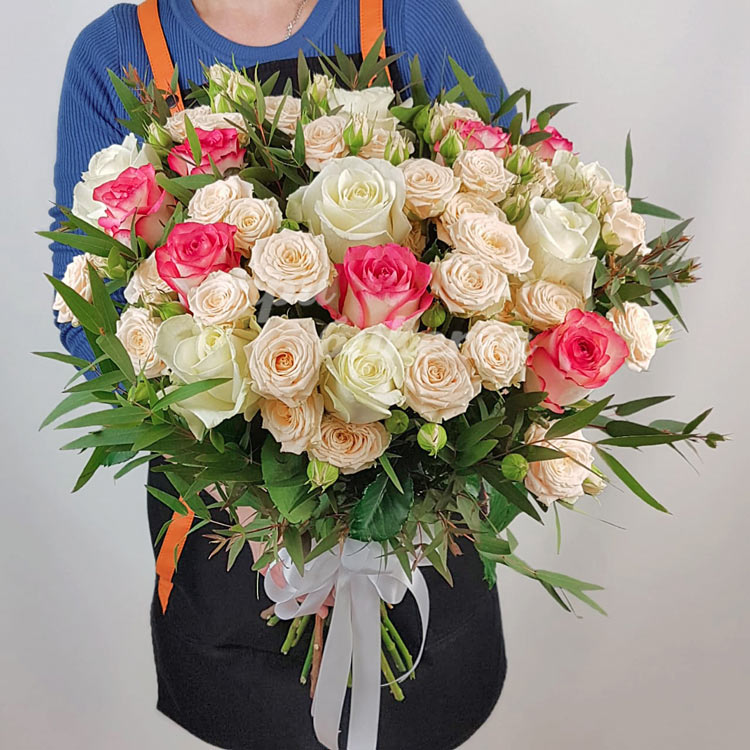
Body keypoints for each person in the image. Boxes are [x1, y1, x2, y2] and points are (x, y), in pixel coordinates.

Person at [49, 1, 513, 748]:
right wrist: (261, 492)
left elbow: (507, 216)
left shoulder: (407, 18)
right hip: (230, 523)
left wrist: (371, 499)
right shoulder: (118, 53)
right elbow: (86, 315)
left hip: (413, 520)